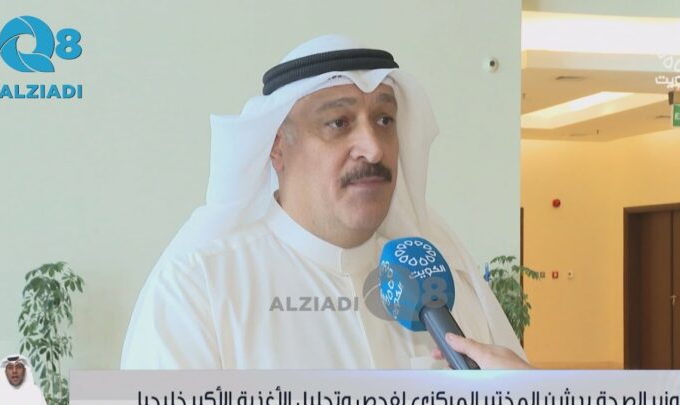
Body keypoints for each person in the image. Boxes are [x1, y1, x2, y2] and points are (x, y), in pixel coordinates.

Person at [121, 34, 529, 369]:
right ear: (277, 147)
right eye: (338, 123)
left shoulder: (440, 286)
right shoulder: (199, 289)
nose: (373, 148)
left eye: (384, 120)